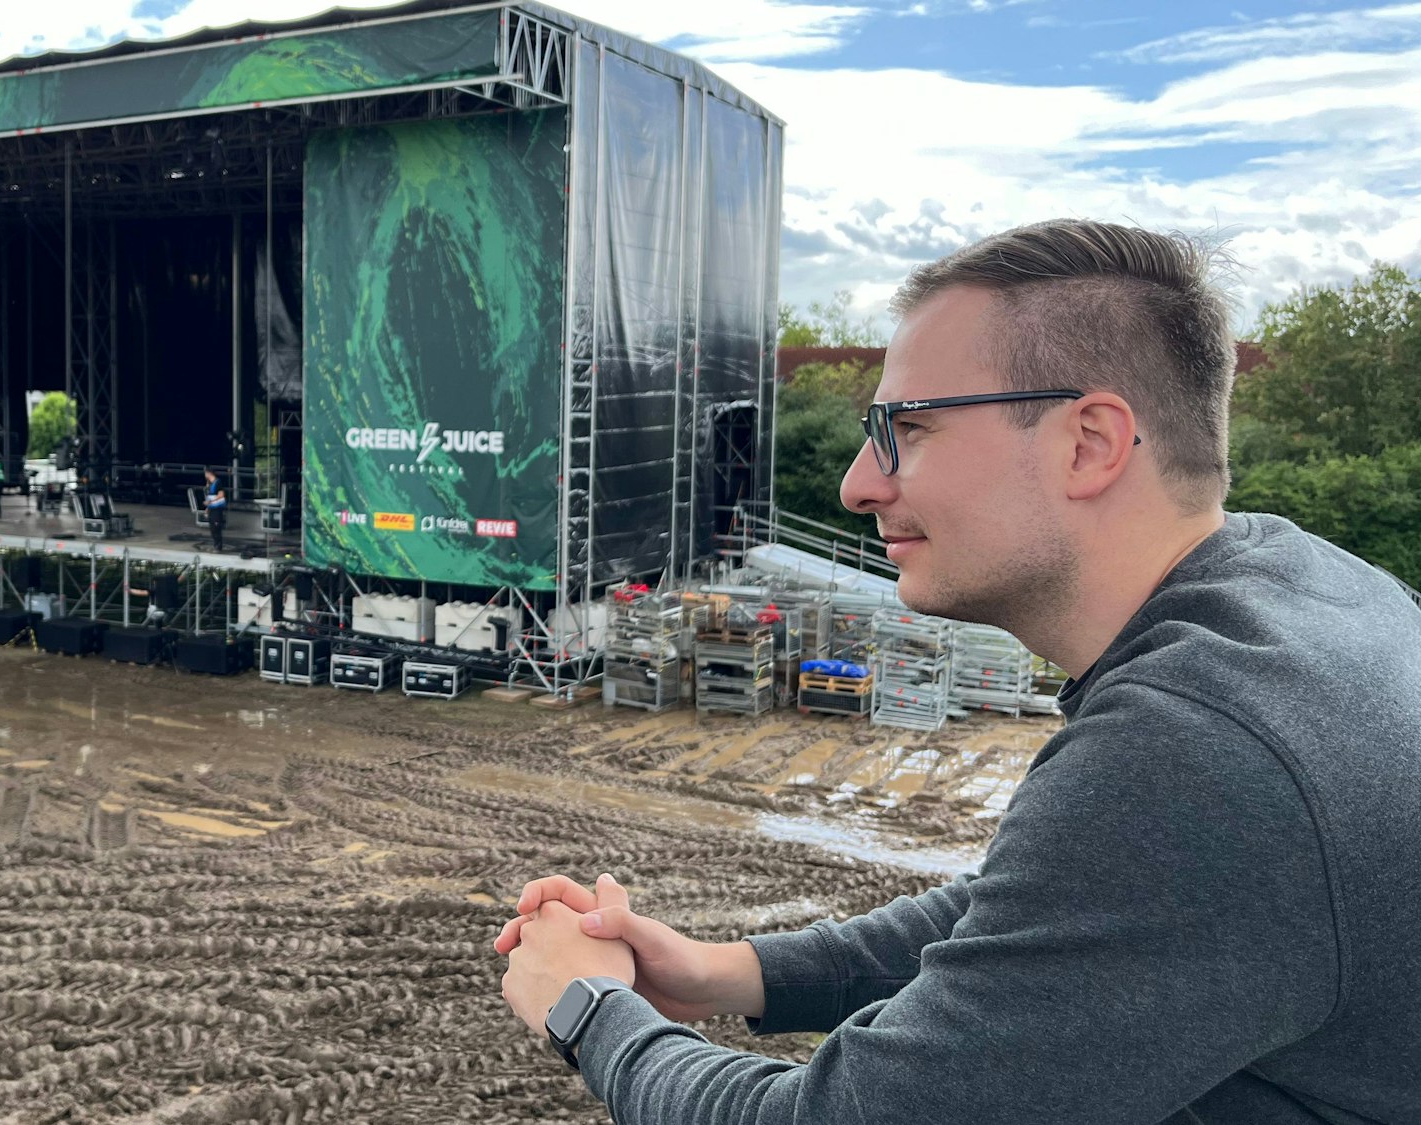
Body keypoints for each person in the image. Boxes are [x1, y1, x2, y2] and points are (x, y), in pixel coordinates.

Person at [496, 220, 1421, 1123]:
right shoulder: (1309, 584)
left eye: (908, 427)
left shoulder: (1199, 753)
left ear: (1089, 442)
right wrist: (726, 971)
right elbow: (1049, 918)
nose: (860, 482)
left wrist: (589, 1010)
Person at [203, 467, 227, 552]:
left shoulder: (218, 482)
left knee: (216, 527)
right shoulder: (209, 484)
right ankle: (215, 544)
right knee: (212, 528)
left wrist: (210, 501)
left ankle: (218, 546)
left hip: (217, 508)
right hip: (211, 508)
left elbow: (221, 494)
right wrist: (207, 509)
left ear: (209, 473)